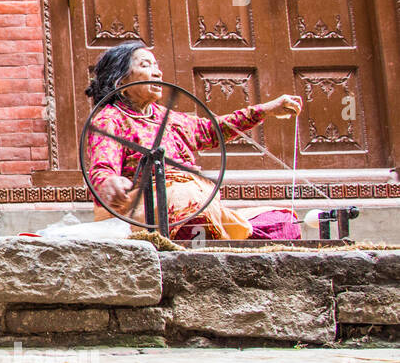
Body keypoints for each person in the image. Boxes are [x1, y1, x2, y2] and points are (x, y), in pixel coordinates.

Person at [84, 41, 304, 240]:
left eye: (156, 65)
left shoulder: (167, 117)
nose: (158, 72)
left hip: (192, 205)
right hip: (147, 210)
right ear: (121, 79)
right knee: (186, 196)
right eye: (145, 65)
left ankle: (208, 231)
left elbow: (212, 130)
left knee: (284, 222)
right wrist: (109, 182)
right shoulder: (109, 118)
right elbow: (103, 166)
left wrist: (267, 110)